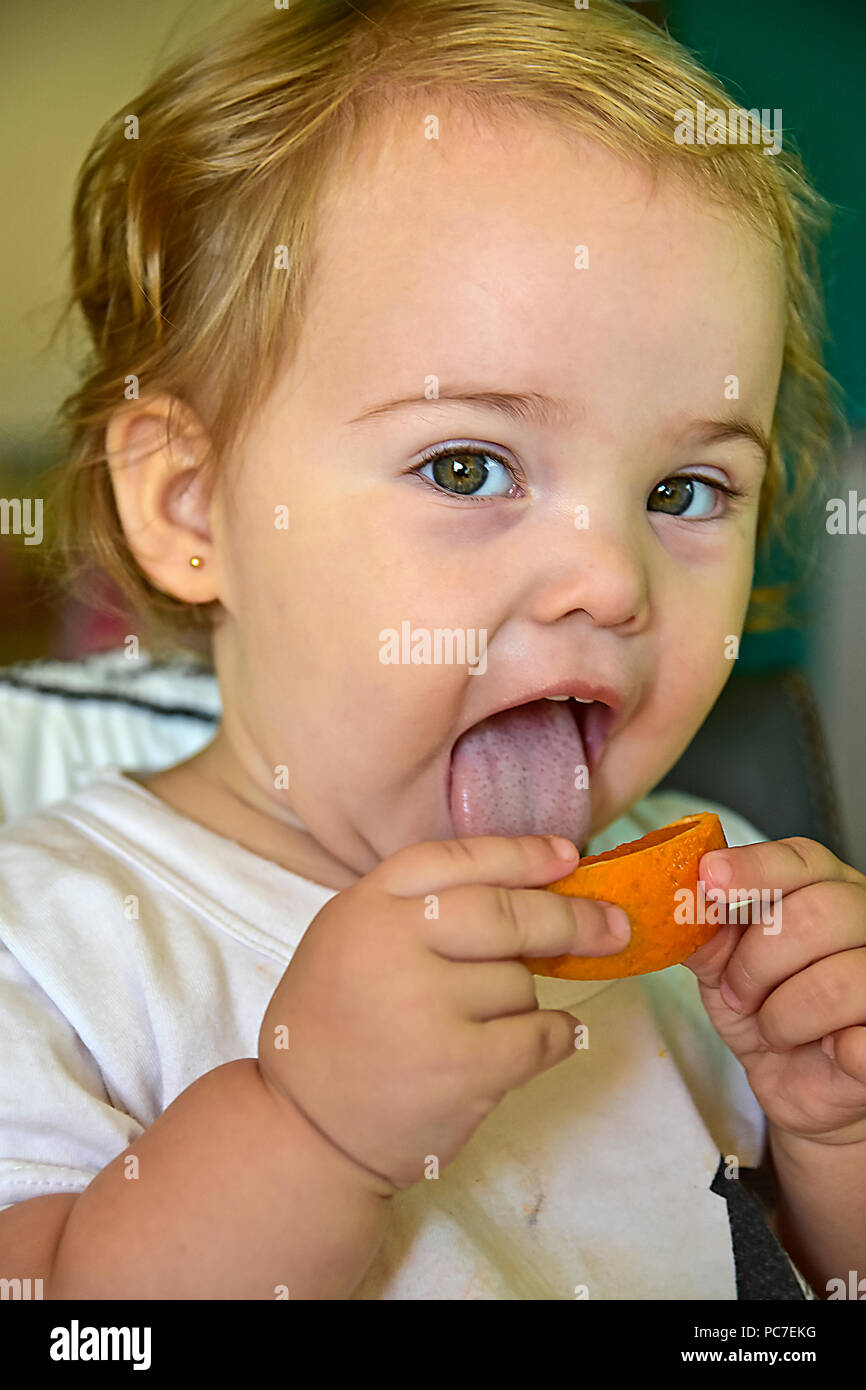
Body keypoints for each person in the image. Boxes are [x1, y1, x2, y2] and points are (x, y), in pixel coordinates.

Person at [1, 0, 863, 1301]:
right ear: (190, 506)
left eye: (684, 490)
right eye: (469, 465)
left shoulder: (713, 924)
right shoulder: (59, 944)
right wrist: (312, 1130)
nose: (607, 579)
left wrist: (830, 1134)